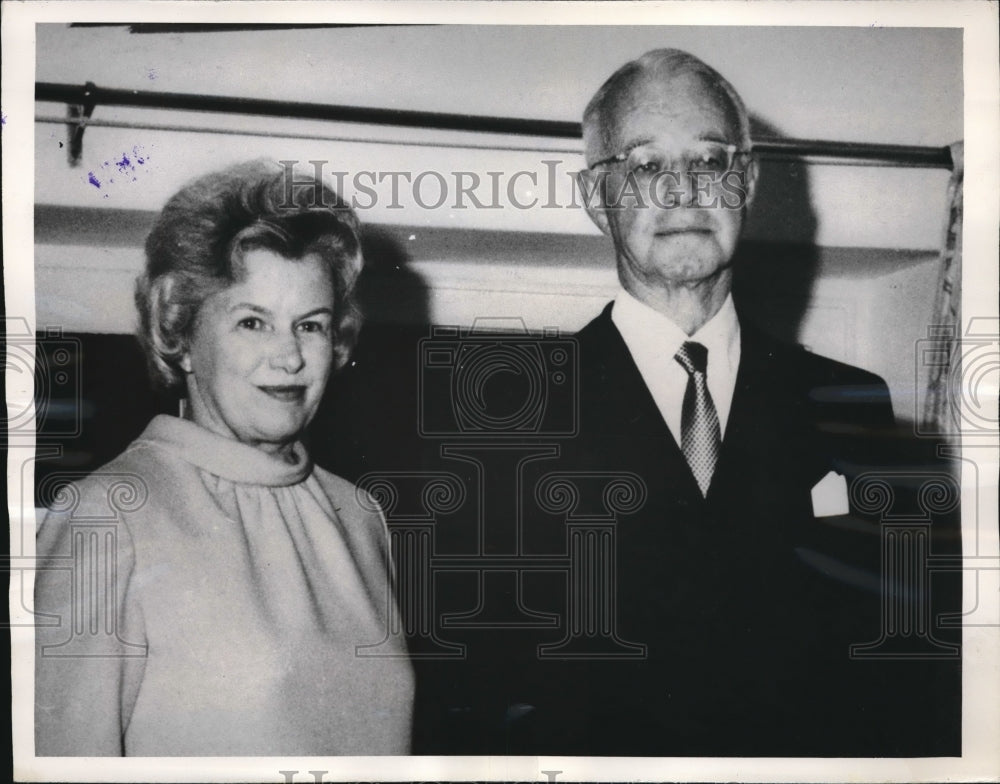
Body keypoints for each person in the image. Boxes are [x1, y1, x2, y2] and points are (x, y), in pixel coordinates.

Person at [398, 49, 960, 757]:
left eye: (710, 161)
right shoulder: (504, 412)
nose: (682, 192)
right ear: (594, 196)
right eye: (646, 166)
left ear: (748, 182)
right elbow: (462, 692)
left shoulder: (851, 402)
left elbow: (903, 674)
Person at [34, 160, 414, 756]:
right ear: (178, 331)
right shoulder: (105, 517)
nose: (288, 356)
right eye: (253, 322)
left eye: (309, 325)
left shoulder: (359, 516)